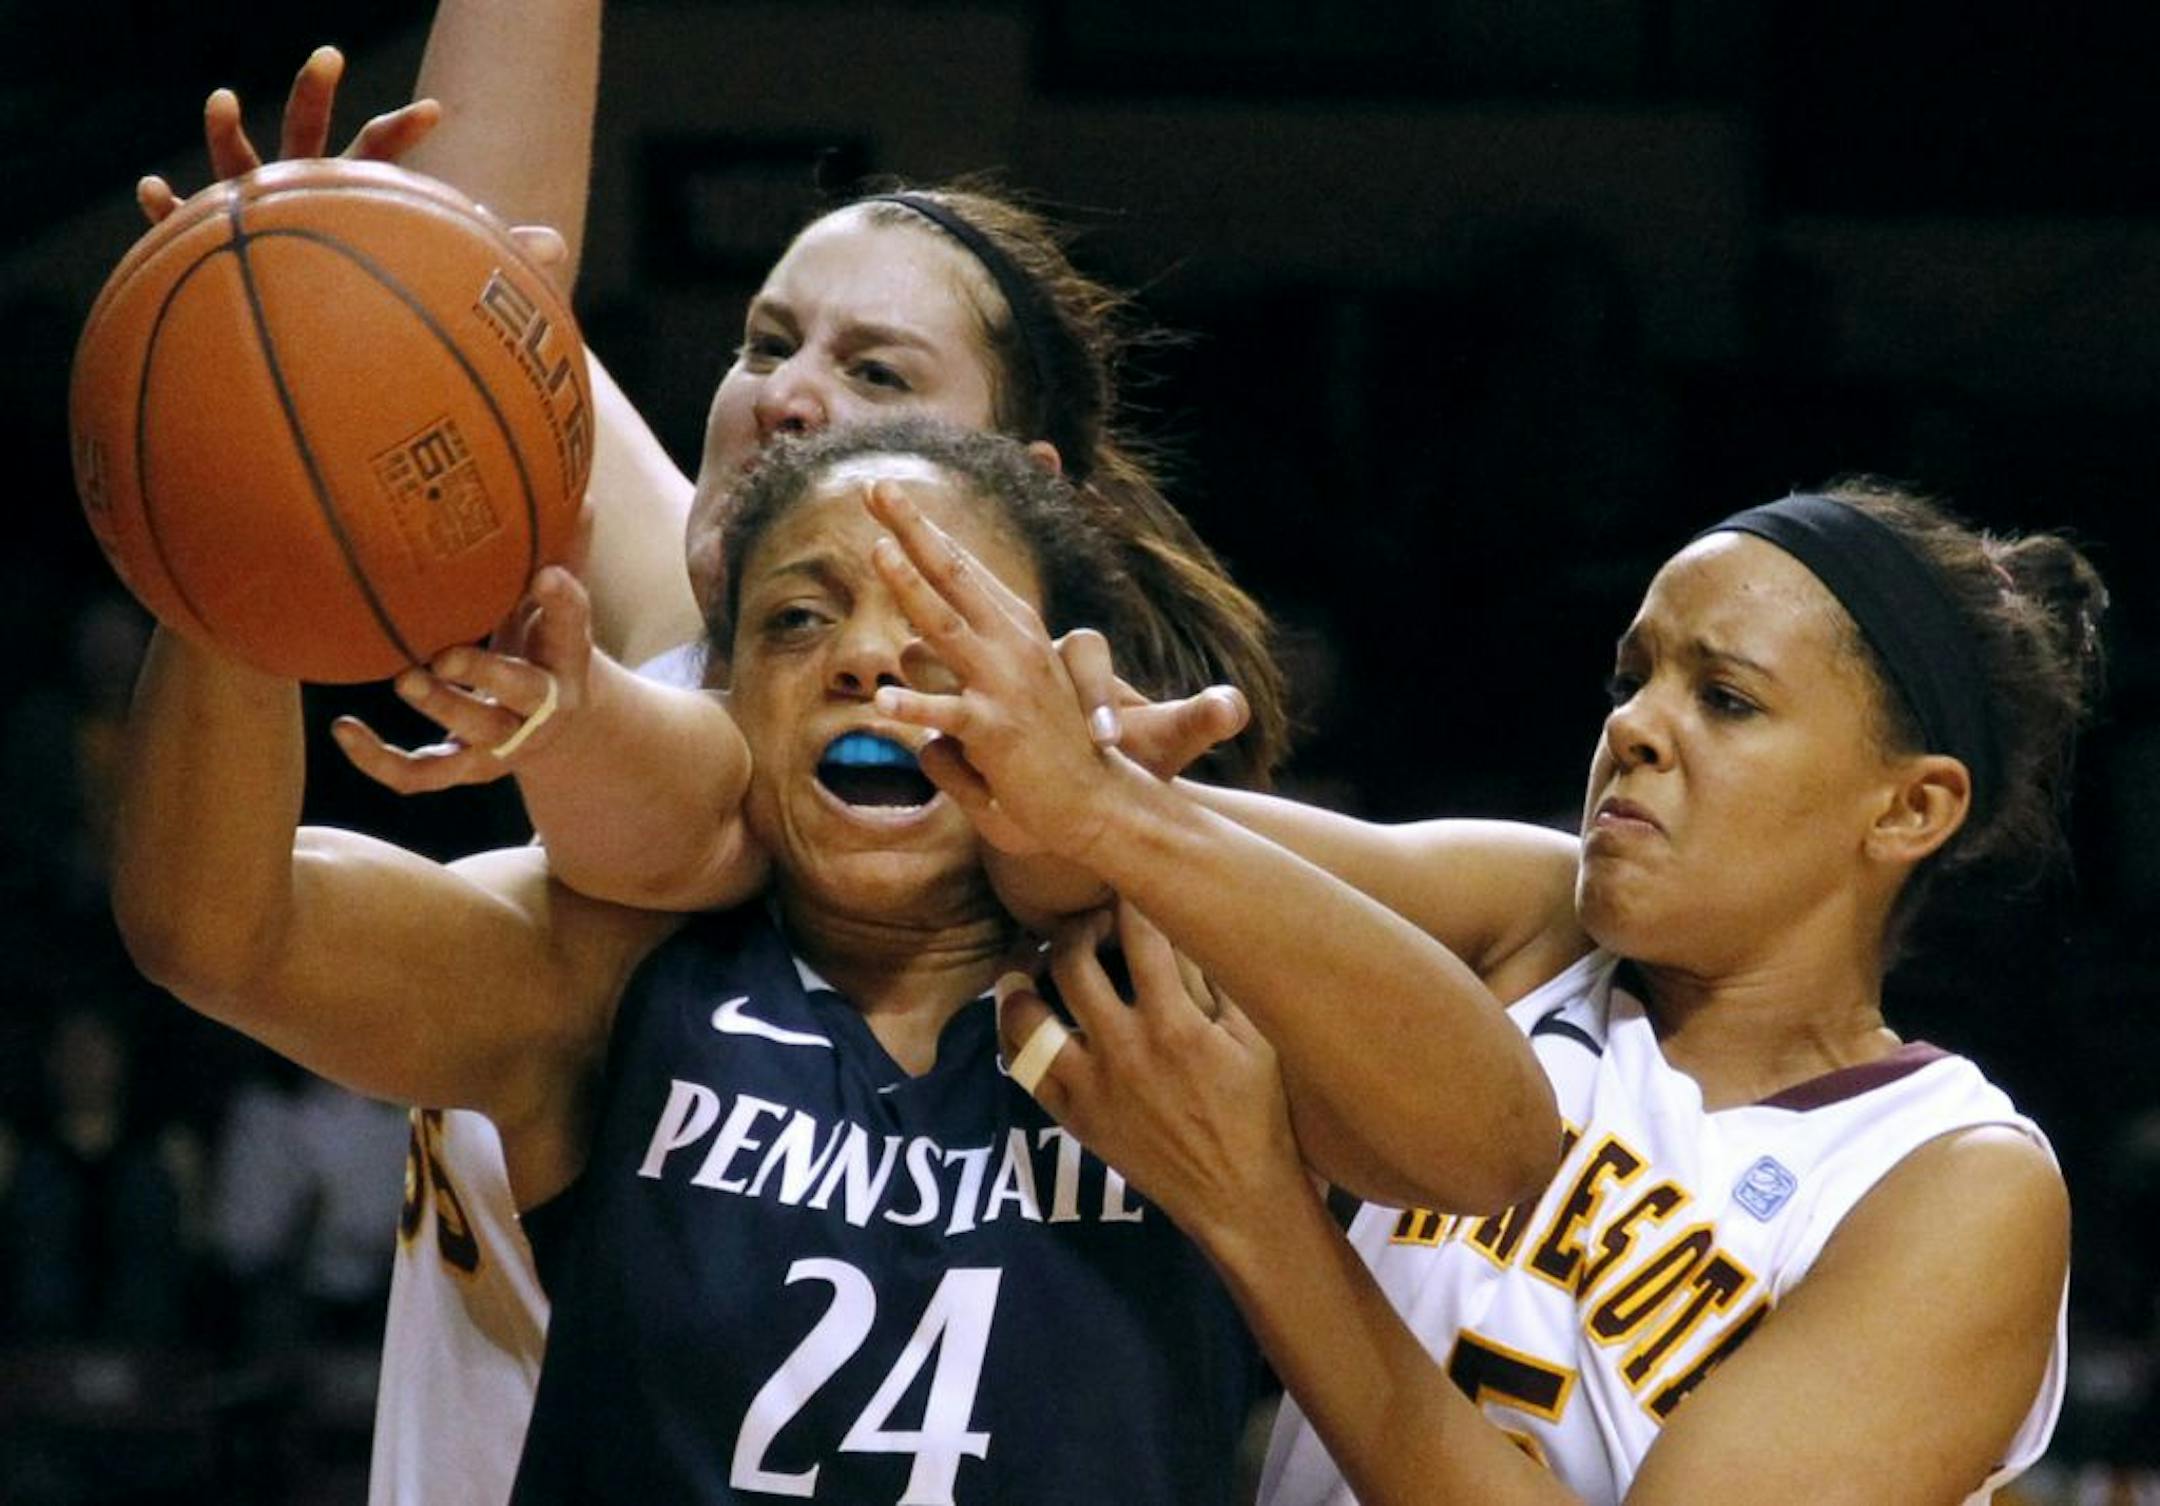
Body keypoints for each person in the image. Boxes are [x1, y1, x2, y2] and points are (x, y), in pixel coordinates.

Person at [133, 14, 1292, 1501]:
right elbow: (474, 281)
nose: (791, 397)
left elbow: (697, 804)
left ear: (1024, 494)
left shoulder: (1022, 836)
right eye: (764, 342)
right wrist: (295, 308)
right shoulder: (680, 651)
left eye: (878, 373)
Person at [109, 415, 1559, 1503]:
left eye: (937, 620)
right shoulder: (616, 972)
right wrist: (243, 510)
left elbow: (1496, 1144)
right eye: (799, 620)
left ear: (1061, 680)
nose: (867, 659)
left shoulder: (1165, 987)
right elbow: (213, 927)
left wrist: (1114, 811)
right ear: (726, 697)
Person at [966, 480, 2100, 1504]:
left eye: (1727, 698)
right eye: (1634, 676)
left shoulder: (1952, 1177)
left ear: (1911, 809)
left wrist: (1255, 1211)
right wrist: (1087, 760)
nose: (1634, 725)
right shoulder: (1526, 913)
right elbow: (1064, 846)